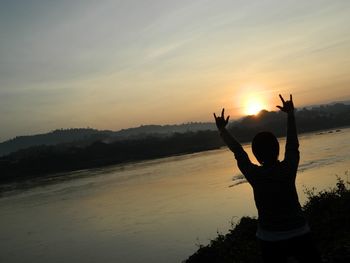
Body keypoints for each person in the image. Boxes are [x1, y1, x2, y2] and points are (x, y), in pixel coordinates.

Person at [213, 94, 321, 262]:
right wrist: (290, 115)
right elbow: (293, 143)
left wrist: (222, 130)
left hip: (270, 238)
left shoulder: (255, 175)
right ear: (277, 149)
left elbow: (238, 152)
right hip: (299, 232)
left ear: (256, 154)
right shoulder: (288, 169)